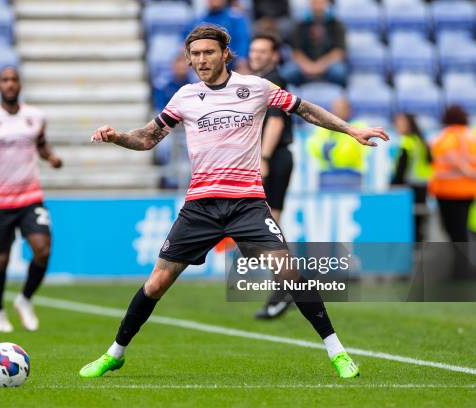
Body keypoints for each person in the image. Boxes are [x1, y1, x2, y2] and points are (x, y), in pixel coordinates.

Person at [79, 25, 389, 379]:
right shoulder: (184, 97)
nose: (201, 60)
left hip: (247, 204)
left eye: (208, 53)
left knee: (288, 271)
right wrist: (118, 137)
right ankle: (114, 353)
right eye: (195, 55)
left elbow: (305, 110)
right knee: (156, 284)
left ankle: (337, 352)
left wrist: (351, 129)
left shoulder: (254, 88)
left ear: (225, 53)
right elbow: (148, 138)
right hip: (200, 206)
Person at [0, 67, 63, 333]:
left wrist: (50, 157)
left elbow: (40, 143)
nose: (10, 84)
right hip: (0, 201)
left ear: (19, 85)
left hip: (31, 196)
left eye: (14, 80)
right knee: (1, 259)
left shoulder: (35, 116)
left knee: (43, 249)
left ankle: (25, 300)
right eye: (5, 80)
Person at [248, 33, 296, 319]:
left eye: (263, 51)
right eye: (254, 50)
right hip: (271, 158)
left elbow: (276, 120)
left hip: (273, 158)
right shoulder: (259, 81)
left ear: (275, 55)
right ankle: (285, 286)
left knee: (267, 227)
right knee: (267, 227)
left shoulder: (273, 80)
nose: (257, 55)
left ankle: (286, 287)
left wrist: (263, 158)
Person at [429, 106, 476, 243]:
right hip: (468, 190)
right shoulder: (470, 135)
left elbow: (449, 154)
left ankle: (461, 262)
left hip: (448, 191)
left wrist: (468, 172)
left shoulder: (447, 135)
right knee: (462, 227)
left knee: (454, 231)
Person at [307, 98, 368, 190]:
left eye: (341, 108)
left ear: (349, 110)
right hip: (327, 175)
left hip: (351, 175)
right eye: (335, 108)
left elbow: (350, 152)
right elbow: (312, 145)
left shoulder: (359, 126)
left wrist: (328, 150)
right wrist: (334, 150)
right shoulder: (323, 126)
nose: (337, 111)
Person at [282, 0, 347, 86]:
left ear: (327, 3)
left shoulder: (336, 24)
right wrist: (308, 66)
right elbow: (296, 52)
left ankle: (339, 97)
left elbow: (339, 52)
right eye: (315, 2)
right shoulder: (300, 25)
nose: (317, 4)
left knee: (339, 72)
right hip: (304, 64)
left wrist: (319, 66)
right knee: (287, 73)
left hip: (329, 64)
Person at [391, 113, 432, 242]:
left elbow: (401, 168)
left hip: (410, 185)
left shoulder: (407, 142)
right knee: (418, 219)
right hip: (423, 185)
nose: (397, 126)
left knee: (410, 220)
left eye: (401, 123)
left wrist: (393, 185)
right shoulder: (420, 140)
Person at [185, 0, 251, 73]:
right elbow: (185, 42)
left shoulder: (235, 18)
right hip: (203, 65)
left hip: (232, 66)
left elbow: (242, 40)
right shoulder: (198, 20)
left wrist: (241, 60)